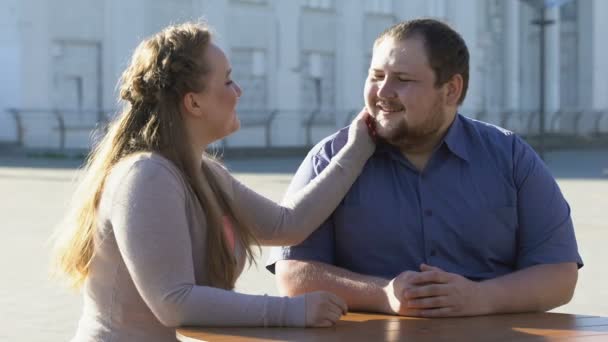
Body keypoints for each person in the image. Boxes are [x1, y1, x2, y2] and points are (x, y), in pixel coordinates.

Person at [51, 22, 376, 341]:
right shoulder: (147, 176)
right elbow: (174, 301)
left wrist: (358, 147)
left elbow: (285, 225)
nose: (239, 91)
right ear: (193, 103)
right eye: (228, 81)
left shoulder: (204, 173)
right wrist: (292, 311)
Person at [267, 18, 583, 318]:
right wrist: (383, 295)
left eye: (402, 80)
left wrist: (479, 298)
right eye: (376, 76)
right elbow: (293, 273)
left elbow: (559, 273)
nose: (383, 92)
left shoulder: (510, 157)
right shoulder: (329, 156)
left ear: (451, 90)